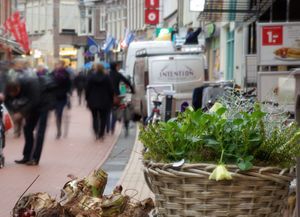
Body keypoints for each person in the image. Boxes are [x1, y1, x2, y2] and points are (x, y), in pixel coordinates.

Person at [4, 73, 51, 165]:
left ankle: (35, 158)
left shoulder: (32, 83)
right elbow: (8, 101)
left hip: (44, 104)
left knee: (40, 132)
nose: (14, 96)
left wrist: (21, 113)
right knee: (27, 129)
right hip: (32, 106)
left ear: (18, 88)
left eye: (15, 94)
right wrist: (13, 112)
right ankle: (26, 156)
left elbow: (35, 101)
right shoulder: (10, 87)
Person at [85, 63, 114, 140]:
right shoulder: (107, 77)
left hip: (93, 101)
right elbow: (111, 89)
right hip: (105, 101)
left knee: (94, 117)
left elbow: (87, 89)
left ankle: (96, 132)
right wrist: (111, 99)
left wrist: (87, 99)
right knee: (103, 118)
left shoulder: (91, 77)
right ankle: (101, 133)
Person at [108, 62, 134, 134]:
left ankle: (111, 127)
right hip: (117, 96)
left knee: (110, 111)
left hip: (108, 96)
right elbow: (127, 82)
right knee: (122, 110)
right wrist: (132, 90)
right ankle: (125, 126)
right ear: (116, 67)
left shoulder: (108, 75)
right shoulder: (118, 75)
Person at [52, 60, 72, 139]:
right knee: (57, 113)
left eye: (59, 64)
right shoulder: (53, 73)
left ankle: (59, 131)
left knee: (59, 112)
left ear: (63, 65)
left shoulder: (66, 74)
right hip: (54, 96)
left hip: (62, 96)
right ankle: (58, 130)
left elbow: (69, 84)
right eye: (57, 64)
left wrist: (68, 92)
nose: (57, 66)